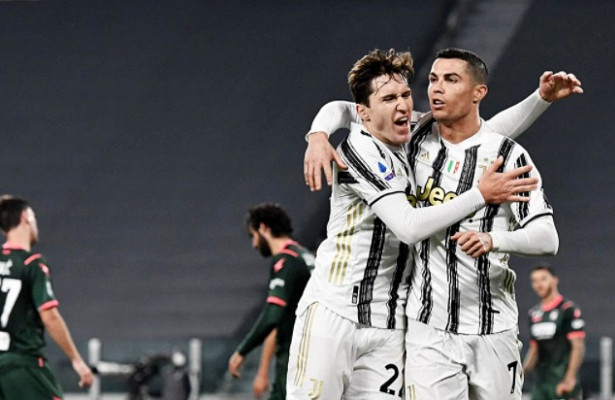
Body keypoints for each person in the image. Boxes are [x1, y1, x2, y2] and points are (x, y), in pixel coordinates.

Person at [301, 48, 582, 399]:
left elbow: (545, 236)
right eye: (433, 79)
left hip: (483, 326)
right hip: (416, 326)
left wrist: (494, 240)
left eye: (450, 80)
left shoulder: (501, 155)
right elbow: (345, 110)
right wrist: (317, 134)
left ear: (478, 92)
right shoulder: (402, 140)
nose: (435, 88)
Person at [0, 195, 93, 399]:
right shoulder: (32, 264)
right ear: (25, 218)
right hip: (24, 366)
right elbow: (49, 316)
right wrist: (77, 360)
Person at [228, 203, 313, 400]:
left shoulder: (286, 261)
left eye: (253, 236)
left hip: (296, 357)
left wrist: (242, 351)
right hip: (312, 353)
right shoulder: (304, 255)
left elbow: (273, 314)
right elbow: (279, 319)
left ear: (263, 228)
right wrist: (263, 371)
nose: (254, 244)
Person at [523, 264, 585, 400]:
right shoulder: (534, 313)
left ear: (555, 280)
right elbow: (534, 348)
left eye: (543, 279)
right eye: (534, 280)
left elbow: (578, 346)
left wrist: (569, 379)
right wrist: (522, 372)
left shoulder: (567, 309)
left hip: (562, 382)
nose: (539, 284)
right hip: (540, 384)